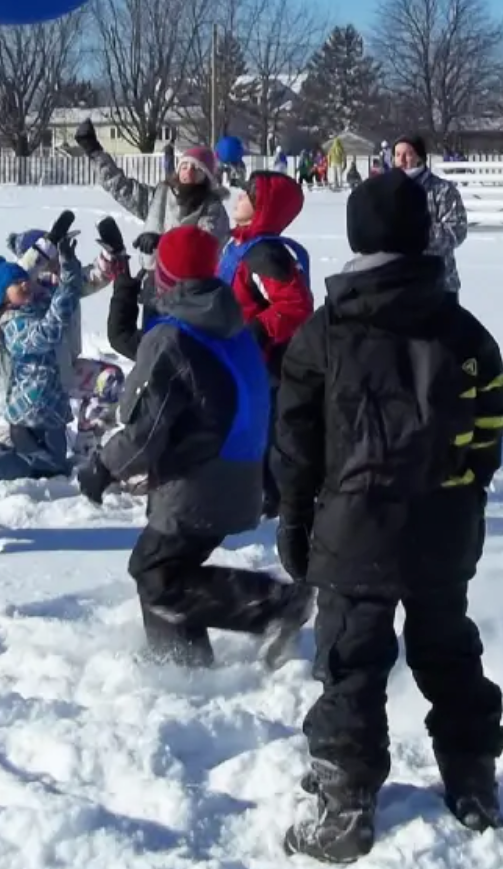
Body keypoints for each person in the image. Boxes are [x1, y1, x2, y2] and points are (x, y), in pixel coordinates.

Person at [270, 168, 503, 861]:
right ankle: (474, 783)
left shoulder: (323, 333)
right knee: (447, 649)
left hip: (354, 533)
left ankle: (345, 804)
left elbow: (296, 442)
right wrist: (473, 483)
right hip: (445, 529)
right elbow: (494, 407)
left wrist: (293, 517)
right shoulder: (463, 327)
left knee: (351, 661)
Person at [78, 225, 313, 669]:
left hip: (200, 483)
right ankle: (184, 664)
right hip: (238, 472)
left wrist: (103, 468)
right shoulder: (229, 320)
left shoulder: (173, 338)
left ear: (166, 277)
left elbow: (146, 428)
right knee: (165, 571)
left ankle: (273, 605)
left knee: (156, 573)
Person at [218, 171, 314, 516]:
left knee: (264, 427)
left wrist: (257, 331)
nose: (237, 199)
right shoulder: (240, 244)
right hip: (237, 352)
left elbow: (296, 306)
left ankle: (271, 495)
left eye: (245, 196)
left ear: (263, 208)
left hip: (264, 360)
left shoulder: (265, 254)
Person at [73, 117, 229, 314]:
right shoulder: (162, 196)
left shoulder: (212, 209)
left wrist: (163, 241)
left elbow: (205, 244)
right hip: (154, 285)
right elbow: (122, 188)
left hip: (190, 294)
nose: (188, 171)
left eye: (197, 169)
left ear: (207, 177)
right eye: (185, 166)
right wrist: (94, 151)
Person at [5, 213, 127, 462]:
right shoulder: (18, 293)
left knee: (110, 380)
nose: (55, 263)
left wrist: (112, 254)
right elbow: (23, 271)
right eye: (50, 257)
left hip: (66, 370)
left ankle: (86, 448)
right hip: (33, 384)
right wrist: (46, 245)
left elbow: (94, 277)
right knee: (40, 444)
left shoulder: (61, 284)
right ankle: (12, 442)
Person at [0, 223, 84, 483]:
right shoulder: (12, 324)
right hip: (28, 412)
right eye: (16, 282)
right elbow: (47, 333)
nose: (24, 283)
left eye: (24, 279)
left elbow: (67, 292)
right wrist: (46, 247)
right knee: (48, 467)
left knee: (52, 465)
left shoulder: (36, 304)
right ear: (4, 297)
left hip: (50, 408)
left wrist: (67, 262)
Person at [393, 134, 468, 299]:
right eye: (398, 155)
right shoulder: (386, 190)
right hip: (398, 285)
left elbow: (457, 231)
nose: (402, 160)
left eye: (408, 154)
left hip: (439, 285)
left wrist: (417, 234)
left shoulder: (443, 190)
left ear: (420, 157)